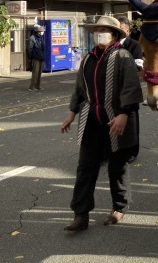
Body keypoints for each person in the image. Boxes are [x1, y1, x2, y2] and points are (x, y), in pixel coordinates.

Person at [60, 16, 142, 231]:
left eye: (104, 30)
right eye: (97, 30)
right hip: (91, 120)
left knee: (117, 167)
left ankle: (119, 208)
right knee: (85, 167)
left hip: (117, 120)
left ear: (114, 35)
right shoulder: (88, 58)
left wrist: (124, 113)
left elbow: (132, 88)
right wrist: (71, 112)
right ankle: (81, 214)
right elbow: (79, 89)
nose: (99, 33)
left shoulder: (123, 56)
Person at [117, 15, 144, 164]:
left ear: (127, 30)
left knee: (131, 121)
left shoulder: (134, 45)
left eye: (121, 28)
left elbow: (138, 65)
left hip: (130, 87)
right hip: (114, 89)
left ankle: (133, 151)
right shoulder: (111, 44)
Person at [27, 25, 45, 91]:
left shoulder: (41, 38)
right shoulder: (32, 38)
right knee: (35, 73)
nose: (43, 32)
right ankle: (32, 87)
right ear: (39, 31)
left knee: (39, 72)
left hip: (41, 57)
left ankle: (38, 86)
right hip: (35, 58)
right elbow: (29, 48)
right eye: (42, 31)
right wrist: (30, 57)